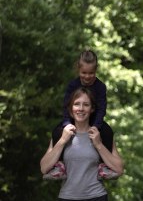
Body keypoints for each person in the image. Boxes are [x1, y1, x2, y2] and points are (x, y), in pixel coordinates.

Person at [44, 50, 114, 179]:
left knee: (108, 132)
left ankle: (104, 165)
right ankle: (59, 165)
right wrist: (67, 124)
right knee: (56, 132)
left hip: (94, 119)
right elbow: (66, 106)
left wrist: (97, 126)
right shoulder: (72, 85)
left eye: (91, 73)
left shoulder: (100, 87)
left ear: (96, 70)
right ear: (78, 70)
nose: (87, 76)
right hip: (73, 119)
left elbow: (101, 109)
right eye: (84, 73)